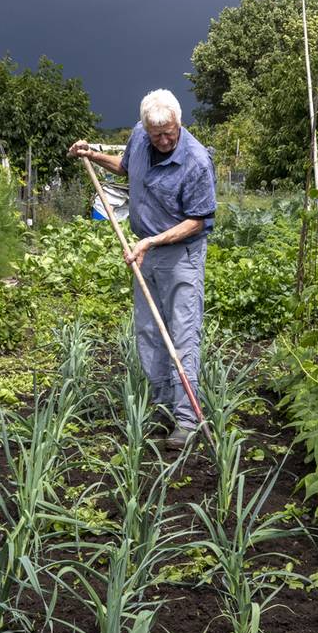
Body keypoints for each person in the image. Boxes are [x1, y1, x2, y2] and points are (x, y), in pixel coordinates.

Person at [68, 89, 216, 449]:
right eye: (156, 135)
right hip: (143, 253)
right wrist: (92, 155)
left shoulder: (195, 161)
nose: (163, 140)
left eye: (169, 133)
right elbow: (126, 167)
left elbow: (198, 220)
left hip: (180, 254)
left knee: (182, 334)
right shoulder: (140, 135)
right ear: (146, 129)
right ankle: (162, 405)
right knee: (149, 331)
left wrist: (150, 242)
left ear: (179, 123)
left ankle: (185, 420)